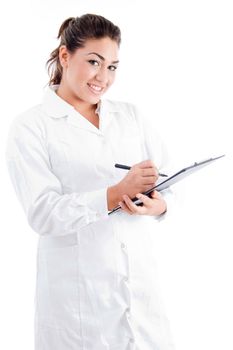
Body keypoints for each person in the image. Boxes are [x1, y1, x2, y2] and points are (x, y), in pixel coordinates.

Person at [5, 13, 176, 350]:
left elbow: (170, 180)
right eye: (94, 62)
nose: (103, 77)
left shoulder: (130, 116)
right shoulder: (31, 126)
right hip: (78, 304)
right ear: (66, 56)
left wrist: (161, 204)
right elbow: (42, 213)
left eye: (112, 66)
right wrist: (114, 194)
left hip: (141, 294)